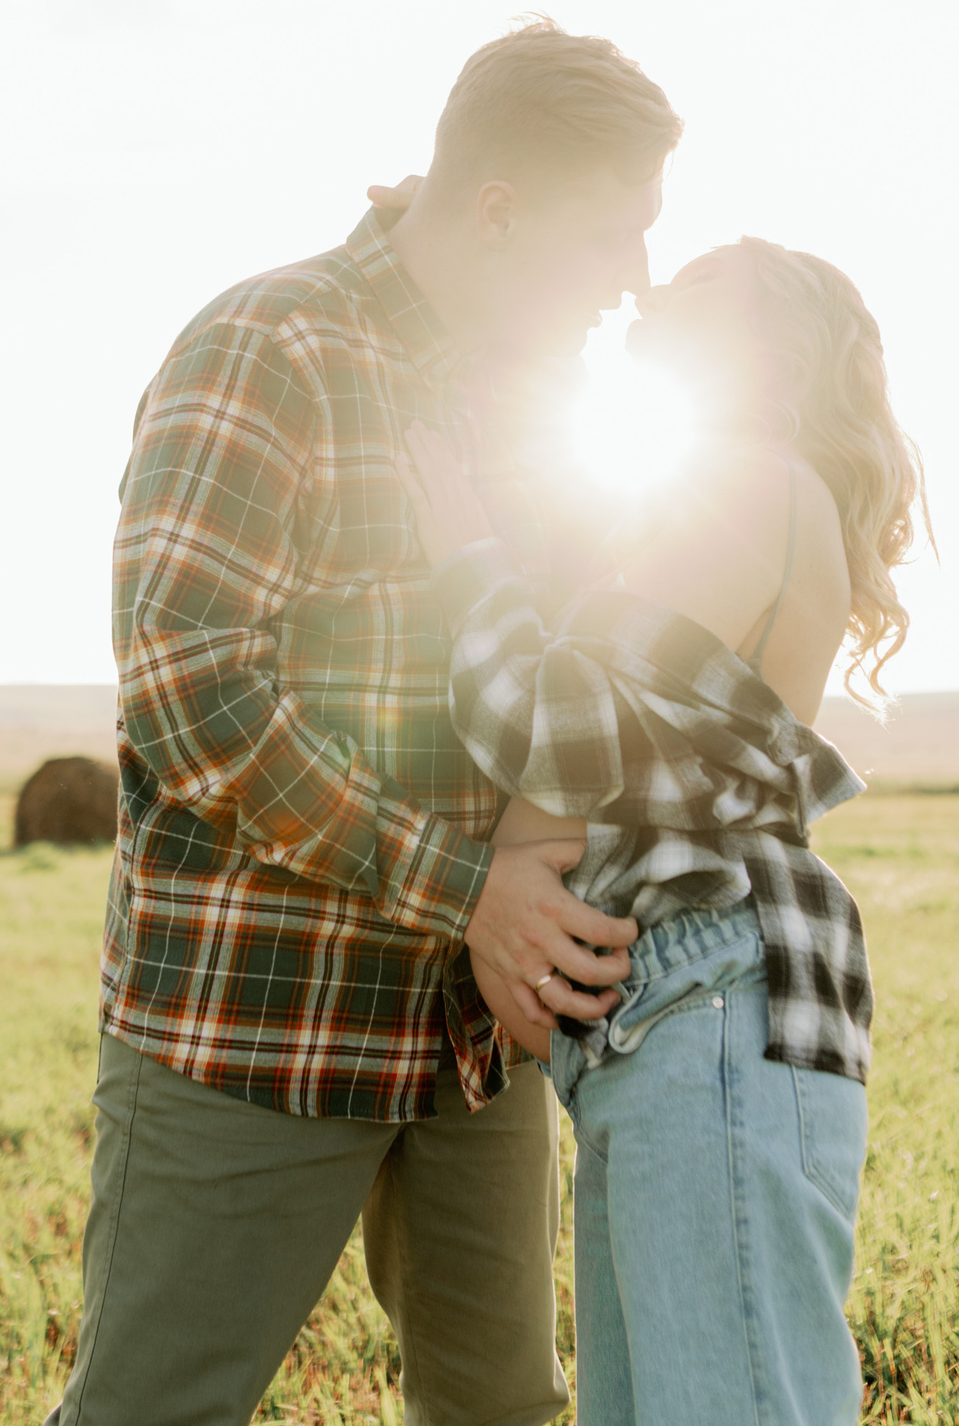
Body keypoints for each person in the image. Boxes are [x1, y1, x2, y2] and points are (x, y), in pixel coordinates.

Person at [45, 18, 680, 1426]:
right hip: (257, 1022)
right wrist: (471, 892)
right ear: (501, 211)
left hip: (472, 1040)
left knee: (506, 1412)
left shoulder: (555, 404)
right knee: (155, 1409)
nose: (635, 283)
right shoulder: (265, 345)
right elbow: (189, 696)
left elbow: (573, 666)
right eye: (609, 237)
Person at [397, 235, 928, 1426]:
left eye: (693, 288)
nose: (644, 288)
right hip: (666, 1021)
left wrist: (461, 556)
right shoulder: (714, 491)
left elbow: (560, 729)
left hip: (711, 1011)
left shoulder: (750, 478)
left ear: (769, 357)